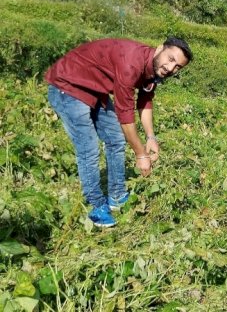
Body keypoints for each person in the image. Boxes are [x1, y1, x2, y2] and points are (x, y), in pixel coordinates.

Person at [46, 37, 192, 228]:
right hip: (68, 85)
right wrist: (141, 155)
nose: (171, 68)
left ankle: (117, 195)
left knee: (115, 139)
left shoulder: (153, 70)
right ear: (160, 49)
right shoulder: (131, 64)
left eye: (178, 66)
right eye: (170, 58)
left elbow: (145, 100)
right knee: (89, 149)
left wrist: (150, 137)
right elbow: (125, 115)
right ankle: (97, 206)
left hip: (94, 89)